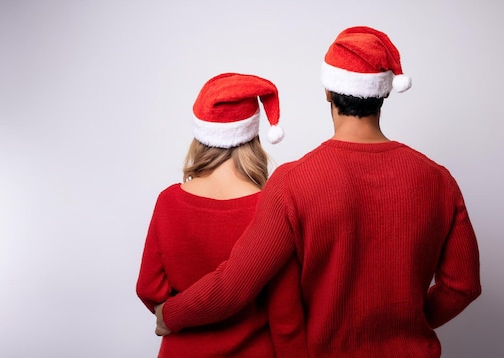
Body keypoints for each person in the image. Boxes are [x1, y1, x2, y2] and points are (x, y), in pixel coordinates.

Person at [154, 26, 482, 357]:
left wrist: (170, 314)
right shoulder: (438, 180)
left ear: (328, 90)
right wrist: (407, 322)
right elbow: (462, 286)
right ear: (384, 93)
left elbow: (235, 285)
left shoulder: (292, 182)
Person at [136, 73, 307, 357]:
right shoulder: (270, 206)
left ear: (200, 136)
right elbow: (284, 313)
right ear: (252, 137)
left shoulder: (168, 202)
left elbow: (149, 288)